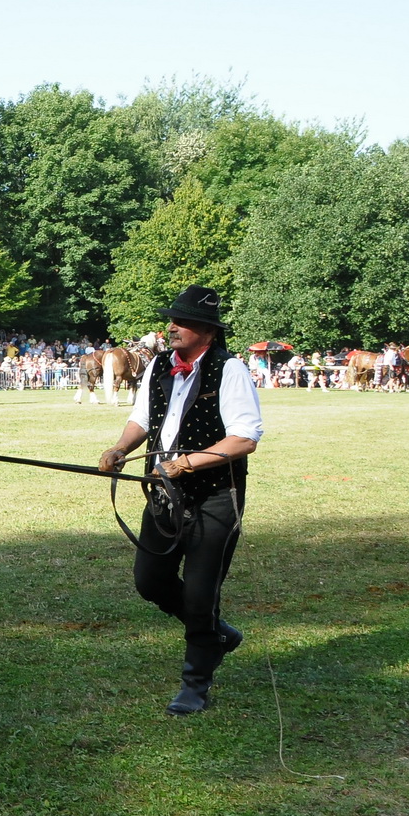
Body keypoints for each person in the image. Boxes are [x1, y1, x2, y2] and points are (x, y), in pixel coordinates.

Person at [99, 286, 262, 716]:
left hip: (215, 499)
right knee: (149, 580)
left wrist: (185, 464)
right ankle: (216, 634)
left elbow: (244, 438)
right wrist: (120, 449)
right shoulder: (157, 367)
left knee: (200, 594)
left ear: (207, 330)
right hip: (164, 496)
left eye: (182, 321)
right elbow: (141, 418)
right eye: (172, 319)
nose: (171, 327)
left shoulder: (230, 371)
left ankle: (195, 683)